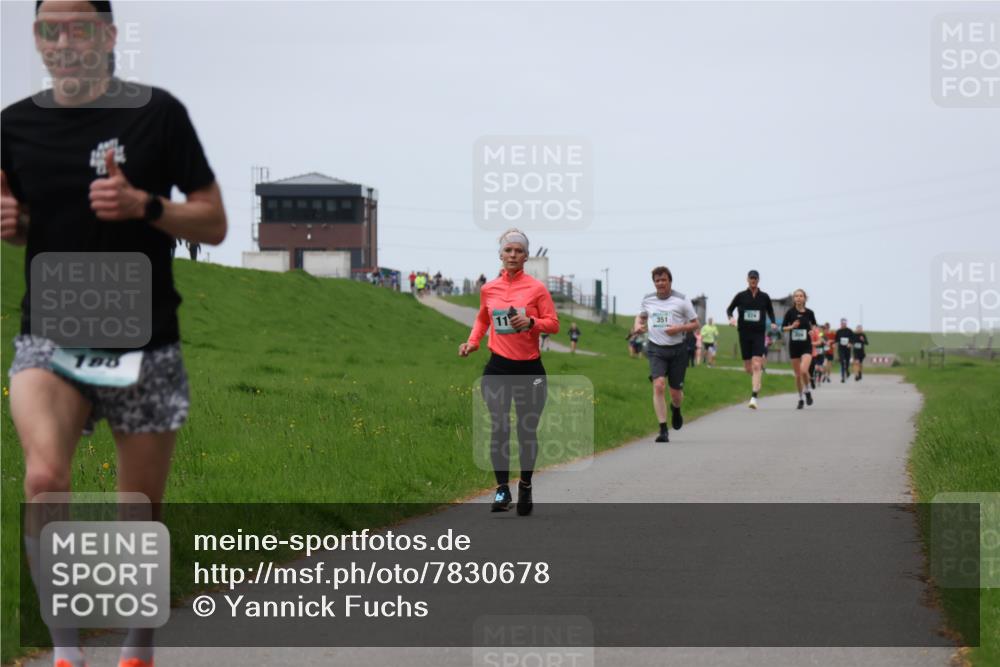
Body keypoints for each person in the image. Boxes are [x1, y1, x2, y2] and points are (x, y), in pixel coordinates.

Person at [2, 3, 227, 666]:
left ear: (107, 36)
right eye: (50, 28)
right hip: (51, 336)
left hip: (145, 339)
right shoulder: (14, 125)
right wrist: (9, 220)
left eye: (79, 27)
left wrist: (147, 206)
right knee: (44, 477)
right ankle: (66, 650)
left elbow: (213, 222)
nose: (64, 41)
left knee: (140, 506)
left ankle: (137, 645)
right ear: (37, 39)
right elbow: (14, 216)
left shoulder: (158, 114)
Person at [459, 229, 558, 515]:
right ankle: (502, 489)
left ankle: (525, 484)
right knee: (499, 425)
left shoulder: (537, 289)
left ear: (526, 256)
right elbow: (482, 319)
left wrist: (531, 323)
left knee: (526, 430)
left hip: (530, 368)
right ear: (500, 255)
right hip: (498, 366)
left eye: (518, 251)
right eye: (508, 251)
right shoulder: (489, 289)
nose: (513, 255)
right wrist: (473, 342)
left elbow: (553, 323)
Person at [632, 266, 700, 443]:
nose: (660, 283)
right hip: (656, 349)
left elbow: (695, 324)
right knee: (659, 385)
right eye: (657, 280)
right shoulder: (648, 299)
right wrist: (638, 326)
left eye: (664, 280)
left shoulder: (682, 300)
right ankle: (663, 429)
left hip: (678, 349)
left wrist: (679, 328)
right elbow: (641, 316)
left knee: (676, 393)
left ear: (670, 281)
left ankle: (676, 408)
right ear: (654, 283)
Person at [726, 270, 776, 409]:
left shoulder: (764, 297)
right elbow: (729, 309)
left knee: (756, 364)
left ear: (758, 280)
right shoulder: (741, 296)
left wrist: (772, 322)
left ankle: (754, 397)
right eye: (751, 278)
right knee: (749, 368)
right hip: (744, 333)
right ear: (747, 279)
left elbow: (770, 311)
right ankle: (757, 379)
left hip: (759, 333)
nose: (753, 280)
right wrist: (731, 318)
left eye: (755, 278)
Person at [781, 289, 818, 409]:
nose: (798, 298)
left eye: (801, 296)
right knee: (797, 375)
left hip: (806, 346)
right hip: (794, 346)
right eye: (796, 296)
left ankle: (807, 390)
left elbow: (814, 325)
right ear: (794, 299)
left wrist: (813, 330)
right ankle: (801, 397)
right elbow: (783, 328)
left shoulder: (810, 313)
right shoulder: (790, 312)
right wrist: (792, 326)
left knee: (803, 371)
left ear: (805, 298)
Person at [835, 318, 854, 382]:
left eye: (844, 323)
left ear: (846, 323)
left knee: (847, 363)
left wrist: (850, 343)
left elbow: (852, 339)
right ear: (840, 324)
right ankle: (843, 377)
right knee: (842, 362)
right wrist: (836, 354)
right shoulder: (838, 331)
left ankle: (847, 371)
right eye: (842, 323)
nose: (843, 324)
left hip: (847, 349)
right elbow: (836, 342)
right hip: (841, 349)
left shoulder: (849, 331)